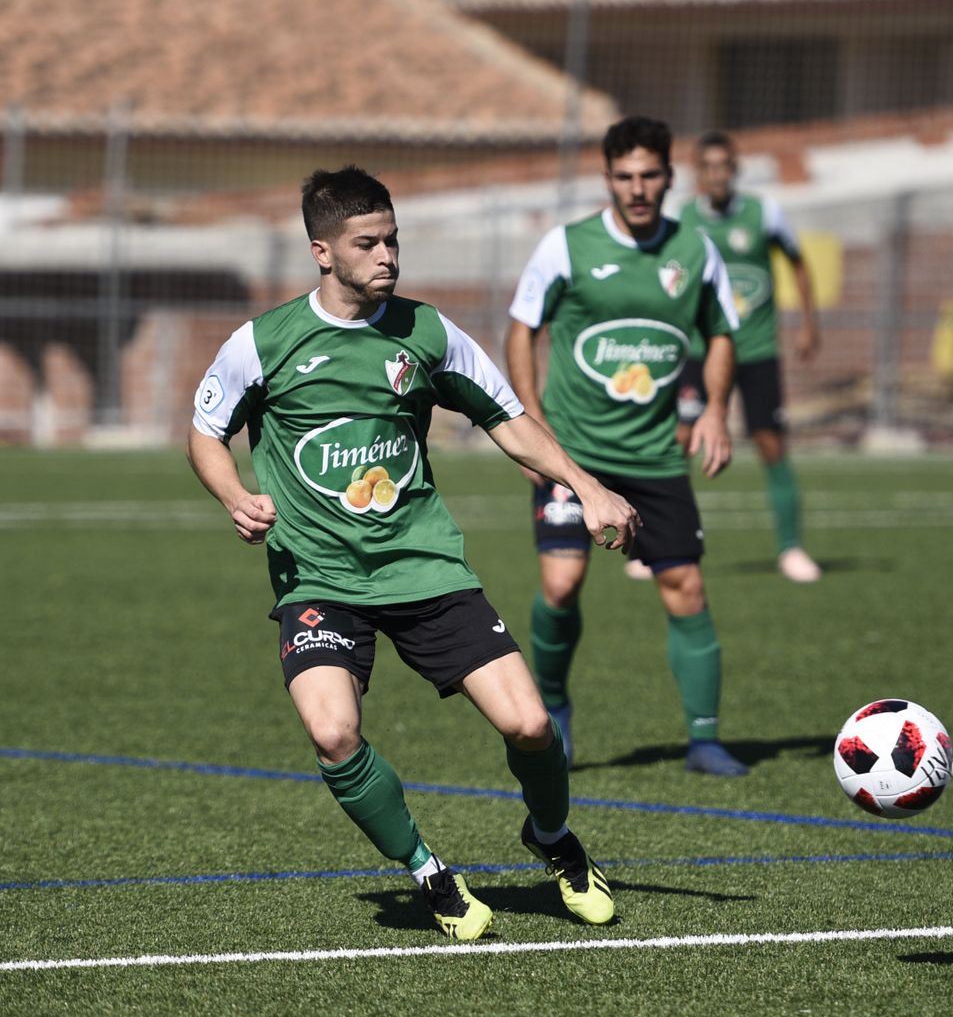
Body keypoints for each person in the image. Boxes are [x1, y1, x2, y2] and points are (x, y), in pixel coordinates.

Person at [187, 166, 636, 940]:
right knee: (332, 733)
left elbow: (510, 418)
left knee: (531, 725)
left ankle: (555, 841)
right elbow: (205, 432)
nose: (388, 255)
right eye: (368, 242)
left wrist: (585, 486)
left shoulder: (429, 333)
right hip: (319, 577)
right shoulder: (263, 342)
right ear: (322, 251)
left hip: (424, 566)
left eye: (393, 238)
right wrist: (234, 495)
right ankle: (431, 873)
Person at [504, 116, 749, 777]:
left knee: (686, 587)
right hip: (574, 454)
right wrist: (532, 424)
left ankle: (703, 740)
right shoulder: (567, 246)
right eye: (625, 176)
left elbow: (723, 331)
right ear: (607, 178)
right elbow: (522, 329)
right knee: (561, 582)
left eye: (649, 175)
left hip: (654, 457)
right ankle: (552, 708)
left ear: (670, 178)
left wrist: (717, 411)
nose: (638, 188)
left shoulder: (696, 251)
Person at [673, 130, 823, 583]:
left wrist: (810, 324)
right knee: (679, 442)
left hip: (755, 350)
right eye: (708, 166)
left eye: (724, 166)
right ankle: (666, 546)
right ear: (697, 173)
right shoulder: (681, 218)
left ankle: (791, 549)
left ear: (734, 170)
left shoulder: (764, 213)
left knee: (771, 444)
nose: (717, 174)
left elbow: (798, 262)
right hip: (700, 350)